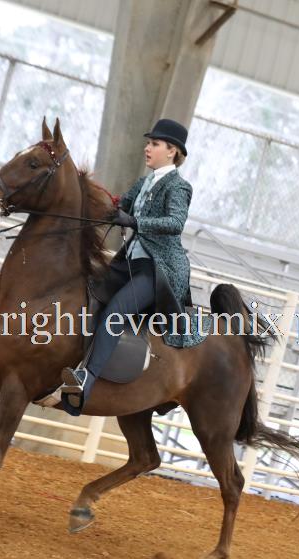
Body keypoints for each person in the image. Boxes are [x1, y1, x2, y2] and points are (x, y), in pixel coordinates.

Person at [59, 118, 194, 415]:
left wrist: (133, 221)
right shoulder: (145, 182)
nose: (147, 148)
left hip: (159, 270)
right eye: (148, 143)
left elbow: (175, 223)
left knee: (115, 312)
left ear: (172, 151)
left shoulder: (179, 187)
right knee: (86, 292)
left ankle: (85, 383)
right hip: (131, 261)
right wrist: (85, 194)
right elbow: (118, 204)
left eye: (154, 144)